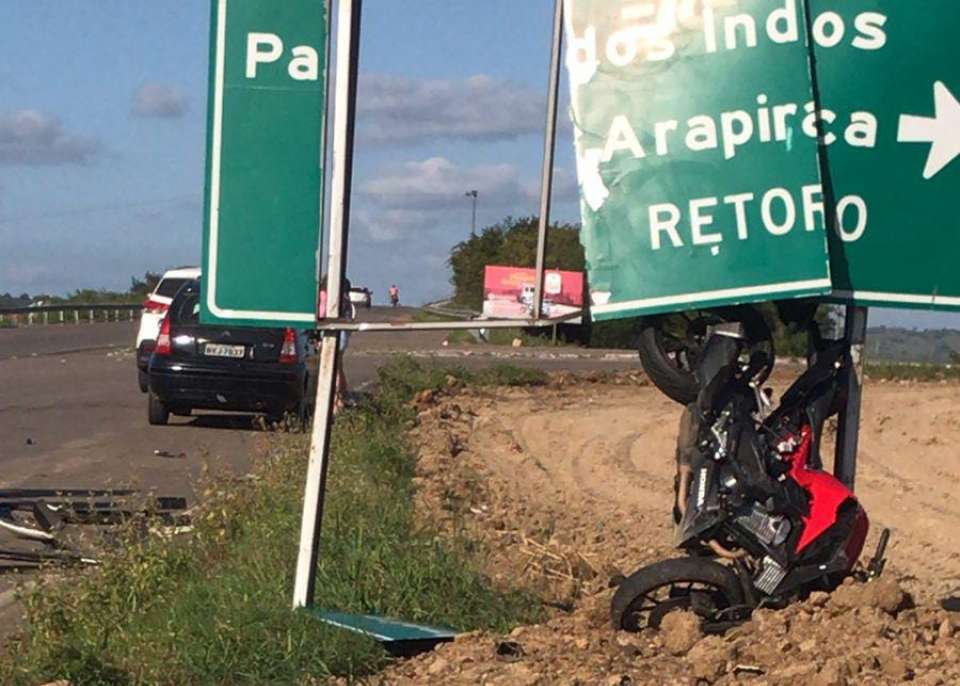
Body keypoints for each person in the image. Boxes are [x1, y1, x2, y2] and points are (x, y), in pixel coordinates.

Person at [318, 275, 356, 413]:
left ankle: (334, 400)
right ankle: (341, 396)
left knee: (332, 368)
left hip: (330, 333)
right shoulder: (346, 300)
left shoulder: (325, 296)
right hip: (343, 335)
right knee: (338, 366)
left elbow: (321, 313)